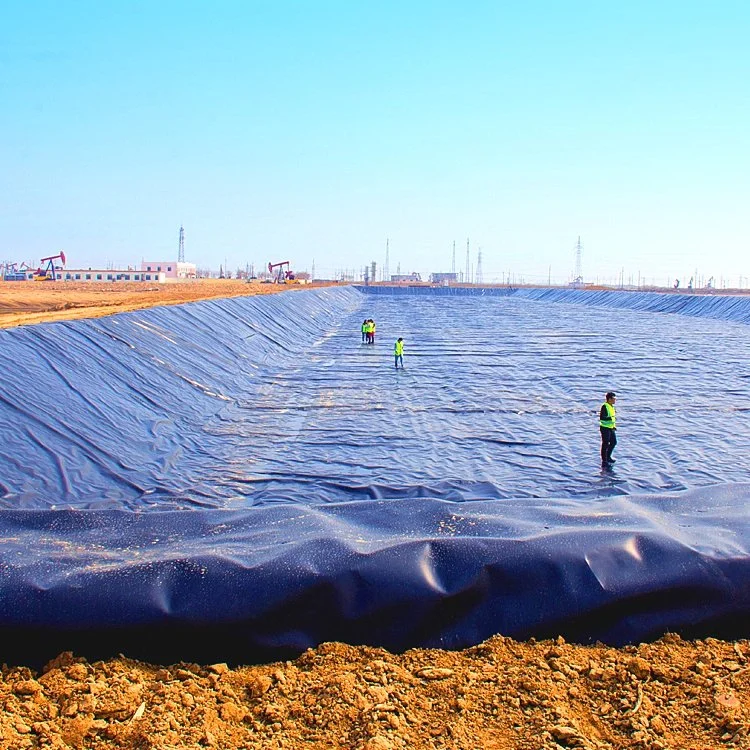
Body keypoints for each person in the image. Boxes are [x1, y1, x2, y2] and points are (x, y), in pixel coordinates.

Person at [599, 391, 617, 465]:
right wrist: (610, 418)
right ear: (609, 399)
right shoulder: (605, 406)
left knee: (613, 442)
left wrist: (613, 426)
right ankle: (604, 460)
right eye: (613, 399)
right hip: (605, 428)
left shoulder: (612, 406)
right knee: (605, 443)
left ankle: (608, 456)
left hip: (610, 428)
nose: (615, 400)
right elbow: (602, 417)